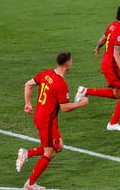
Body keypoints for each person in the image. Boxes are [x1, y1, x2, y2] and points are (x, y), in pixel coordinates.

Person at [17, 51, 89, 190]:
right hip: (47, 122)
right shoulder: (61, 83)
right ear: (68, 63)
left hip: (41, 116)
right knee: (50, 152)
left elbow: (28, 84)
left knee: (59, 146)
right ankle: (30, 184)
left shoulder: (46, 74)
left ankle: (28, 153)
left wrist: (28, 103)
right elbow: (65, 107)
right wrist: (82, 103)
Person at [74, 2, 120, 131]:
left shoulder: (113, 25)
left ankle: (85, 91)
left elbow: (103, 38)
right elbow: (116, 53)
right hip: (112, 66)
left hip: (106, 63)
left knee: (117, 93)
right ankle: (113, 124)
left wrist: (97, 47)